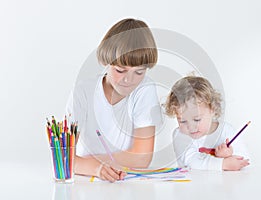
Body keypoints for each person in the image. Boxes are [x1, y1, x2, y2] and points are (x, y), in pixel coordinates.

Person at [66, 18, 162, 182]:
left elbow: (142, 158)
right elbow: (64, 158)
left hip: (128, 181)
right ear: (108, 62)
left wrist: (84, 162)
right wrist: (97, 169)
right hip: (85, 182)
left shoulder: (145, 89)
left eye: (139, 72)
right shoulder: (83, 91)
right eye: (120, 70)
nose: (129, 80)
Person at [164, 76, 250, 171]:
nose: (191, 127)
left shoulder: (226, 131)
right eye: (183, 121)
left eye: (197, 120)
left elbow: (245, 161)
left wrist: (228, 155)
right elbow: (191, 161)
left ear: (212, 110)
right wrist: (222, 163)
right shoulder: (180, 135)